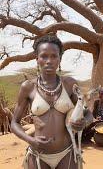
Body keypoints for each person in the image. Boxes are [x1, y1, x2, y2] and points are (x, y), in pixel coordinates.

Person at [11, 35, 93, 169]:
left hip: (66, 154)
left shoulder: (69, 84)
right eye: (44, 56)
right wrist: (30, 140)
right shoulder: (28, 87)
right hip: (38, 155)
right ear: (37, 59)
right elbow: (14, 123)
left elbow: (88, 114)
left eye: (54, 56)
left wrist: (84, 122)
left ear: (60, 59)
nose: (49, 61)